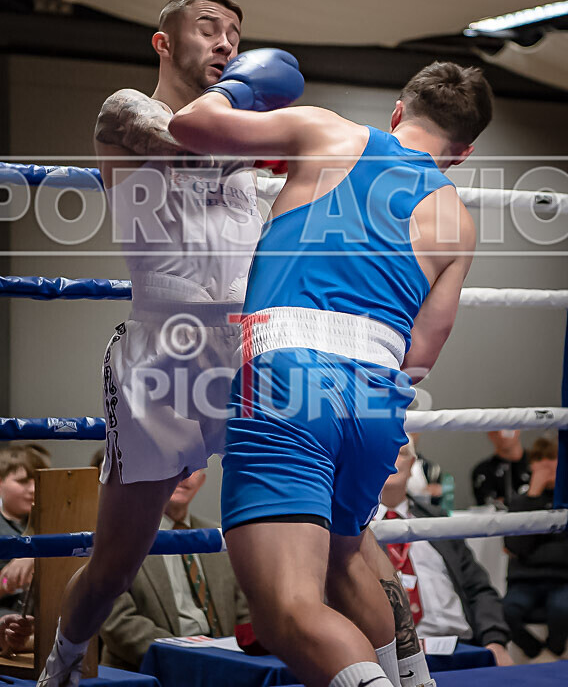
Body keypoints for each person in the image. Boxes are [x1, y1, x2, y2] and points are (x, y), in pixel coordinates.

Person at [169, 57, 493, 687]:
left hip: (288, 378)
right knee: (346, 553)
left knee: (288, 610)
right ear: (463, 151)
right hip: (377, 401)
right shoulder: (460, 223)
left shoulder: (329, 131)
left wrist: (239, 84)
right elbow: (421, 356)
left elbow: (190, 125)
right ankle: (415, 679)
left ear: (398, 112)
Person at [38, 0, 303, 687]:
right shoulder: (126, 112)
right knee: (116, 564)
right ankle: (60, 669)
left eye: (236, 37)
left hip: (251, 355)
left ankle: (399, 669)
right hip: (164, 360)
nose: (226, 45)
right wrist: (263, 120)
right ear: (163, 42)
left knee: (322, 536)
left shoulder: (249, 145)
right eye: (209, 29)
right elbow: (188, 143)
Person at [372, 441, 513, 666]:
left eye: (400, 452)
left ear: (413, 463)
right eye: (382, 450)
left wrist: (495, 640)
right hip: (391, 656)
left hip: (461, 647)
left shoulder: (437, 522)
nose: (392, 459)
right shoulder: (350, 529)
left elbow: (478, 588)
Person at [100, 469, 250, 670]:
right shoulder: (117, 537)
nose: (184, 475)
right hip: (153, 671)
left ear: (202, 480)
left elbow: (245, 613)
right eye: (177, 465)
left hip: (225, 666)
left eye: (193, 466)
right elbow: (116, 622)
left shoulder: (220, 537)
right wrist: (187, 659)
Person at [503, 437, 568, 658]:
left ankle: (554, 650)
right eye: (539, 459)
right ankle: (537, 652)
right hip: (524, 580)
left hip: (562, 580)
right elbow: (514, 545)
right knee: (506, 611)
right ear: (531, 465)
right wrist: (533, 495)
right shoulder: (521, 502)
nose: (546, 465)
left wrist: (533, 550)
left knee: (562, 609)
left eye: (552, 458)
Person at [0, 446, 47, 615]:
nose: (33, 489)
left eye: (38, 480)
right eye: (22, 481)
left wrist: (35, 557)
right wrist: (7, 581)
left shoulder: (53, 520)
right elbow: (4, 581)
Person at [471, 430, 531, 508]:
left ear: (518, 429)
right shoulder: (482, 471)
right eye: (495, 431)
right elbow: (487, 505)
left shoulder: (538, 464)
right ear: (489, 434)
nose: (501, 435)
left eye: (507, 429)